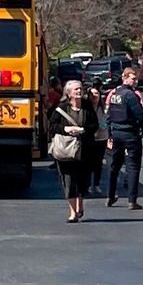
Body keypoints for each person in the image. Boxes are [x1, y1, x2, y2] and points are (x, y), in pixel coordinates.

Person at [106, 67, 143, 210]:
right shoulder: (130, 95)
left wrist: (110, 133)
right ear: (125, 77)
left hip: (116, 133)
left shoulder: (115, 94)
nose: (135, 82)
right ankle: (132, 201)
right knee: (133, 167)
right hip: (130, 134)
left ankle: (110, 196)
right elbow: (140, 114)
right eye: (133, 79)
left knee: (114, 166)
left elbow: (109, 115)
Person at [49, 80, 98, 223]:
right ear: (68, 93)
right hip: (66, 151)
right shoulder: (61, 108)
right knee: (69, 181)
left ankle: (80, 206)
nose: (79, 91)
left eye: (80, 88)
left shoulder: (87, 106)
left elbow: (94, 125)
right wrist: (66, 129)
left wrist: (82, 130)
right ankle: (72, 212)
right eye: (76, 89)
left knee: (83, 181)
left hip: (85, 150)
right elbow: (52, 126)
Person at [86, 85, 110, 196]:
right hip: (89, 138)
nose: (94, 96)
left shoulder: (103, 108)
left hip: (102, 137)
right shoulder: (86, 108)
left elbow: (107, 120)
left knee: (98, 163)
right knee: (88, 162)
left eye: (96, 94)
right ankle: (87, 185)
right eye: (92, 94)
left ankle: (96, 184)